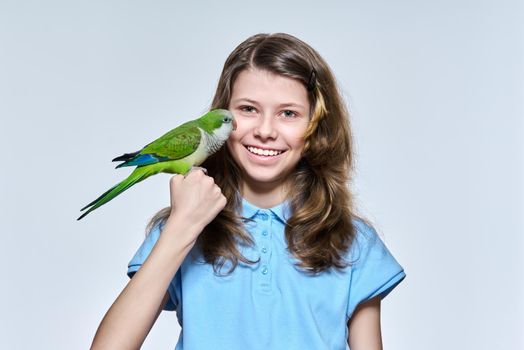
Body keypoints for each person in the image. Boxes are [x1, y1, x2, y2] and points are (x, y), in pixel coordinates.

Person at [91, 32, 406, 350]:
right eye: (248, 109)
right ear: (222, 120)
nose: (265, 131)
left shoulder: (353, 240)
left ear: (315, 128)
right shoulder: (178, 228)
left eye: (288, 113)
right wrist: (182, 227)